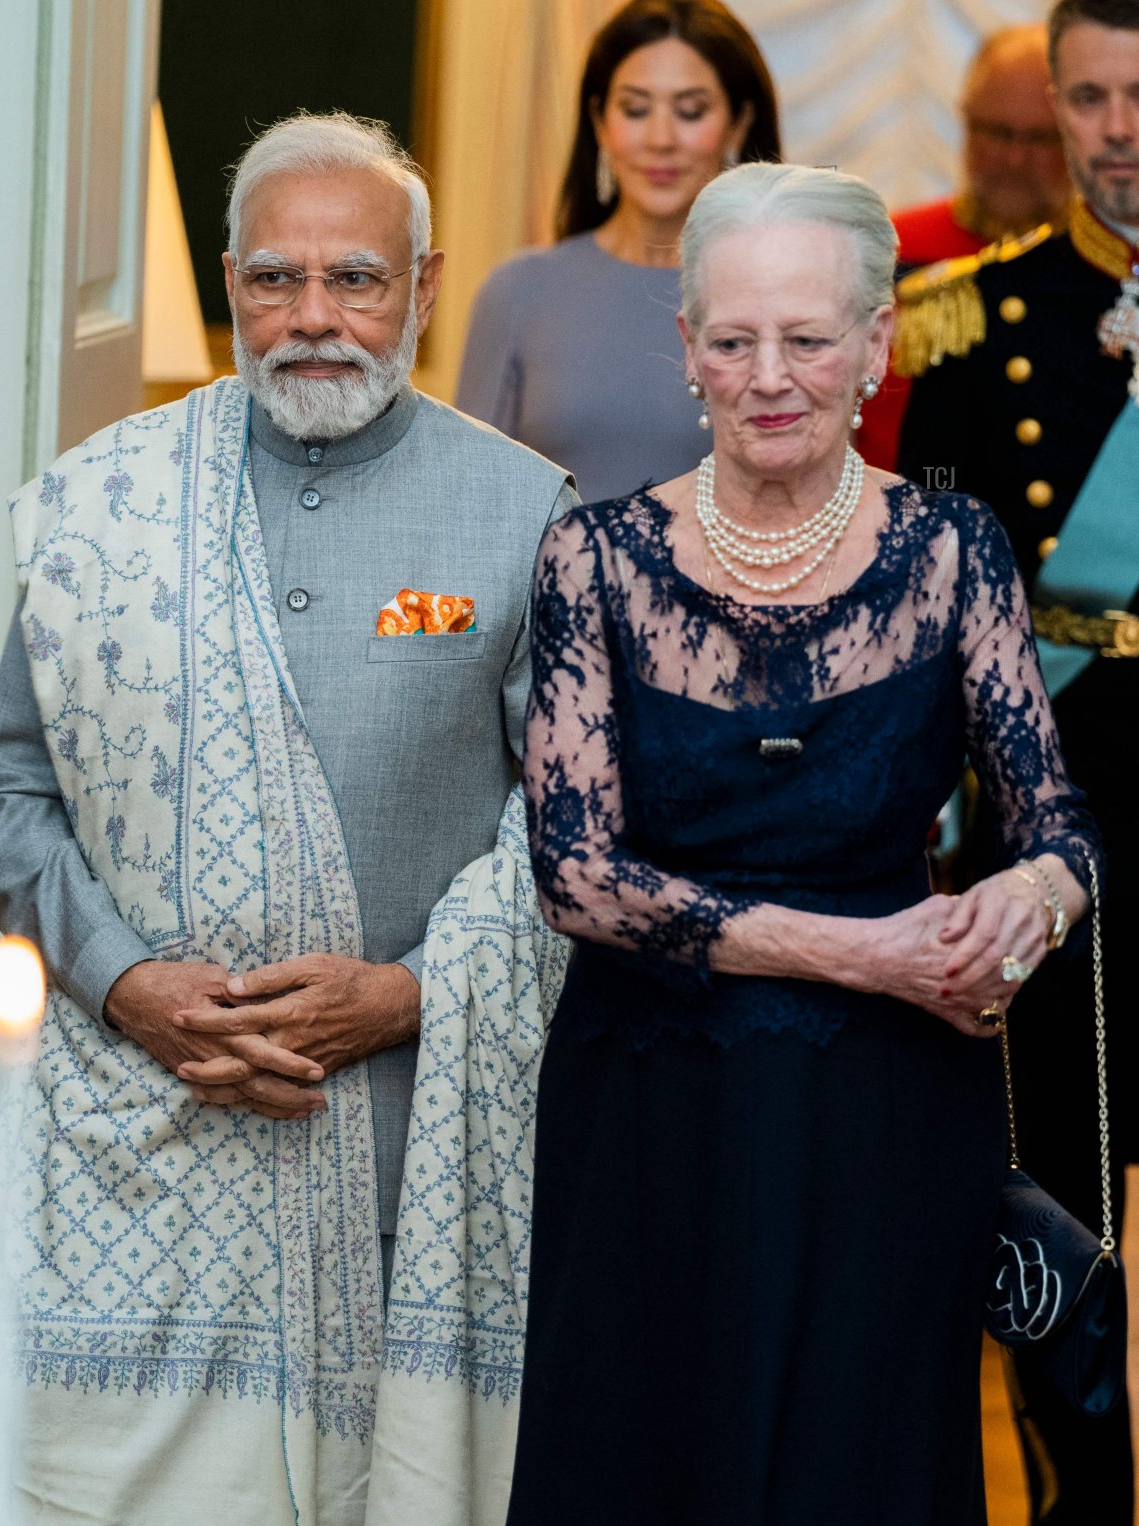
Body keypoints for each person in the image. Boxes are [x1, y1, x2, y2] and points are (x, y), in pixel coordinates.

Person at [0, 111, 574, 1525]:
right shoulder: (109, 502)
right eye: (275, 279)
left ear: (423, 286)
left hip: (405, 1148)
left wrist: (410, 993)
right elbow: (5, 792)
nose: (312, 319)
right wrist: (128, 983)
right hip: (130, 1144)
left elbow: (572, 828)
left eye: (355, 279)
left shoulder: (523, 511)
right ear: (230, 282)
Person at [505, 162, 1100, 1526]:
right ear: (687, 348)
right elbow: (573, 872)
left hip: (888, 1117)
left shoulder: (954, 551)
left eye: (808, 339)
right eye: (733, 341)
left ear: (876, 342)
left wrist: (1034, 898)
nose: (769, 377)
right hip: (652, 1105)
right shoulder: (594, 558)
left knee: (860, 1466)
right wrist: (860, 953)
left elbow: (1060, 823)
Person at [898, 2, 1139, 1518]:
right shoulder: (974, 318)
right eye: (1093, 98)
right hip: (1059, 808)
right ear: (1054, 105)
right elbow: (927, 597)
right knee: (1061, 1189)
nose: (1124, 131)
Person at [455, 0, 780, 502]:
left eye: (691, 111)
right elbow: (466, 497)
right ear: (599, 121)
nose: (660, 139)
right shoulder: (518, 292)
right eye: (635, 109)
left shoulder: (778, 296)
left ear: (739, 123)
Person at [860, 23, 1070, 469]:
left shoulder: (1104, 264)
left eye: (1039, 138)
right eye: (996, 132)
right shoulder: (885, 249)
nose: (1014, 158)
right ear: (965, 120)